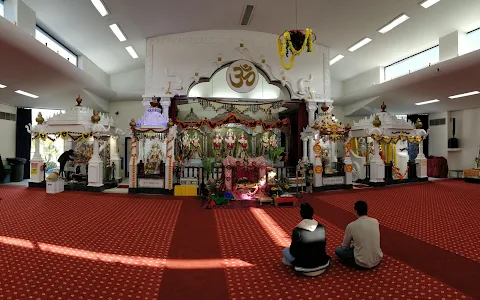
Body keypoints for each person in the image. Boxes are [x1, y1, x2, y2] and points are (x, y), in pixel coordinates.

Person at [282, 203, 330, 276]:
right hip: (322, 264)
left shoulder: (297, 230)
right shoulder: (321, 227)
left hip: (305, 267)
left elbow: (293, 251)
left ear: (301, 214)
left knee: (285, 251)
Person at [335, 200, 383, 269]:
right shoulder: (375, 221)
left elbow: (345, 247)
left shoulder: (351, 225)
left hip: (361, 263)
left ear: (356, 211)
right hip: (377, 259)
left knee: (338, 250)